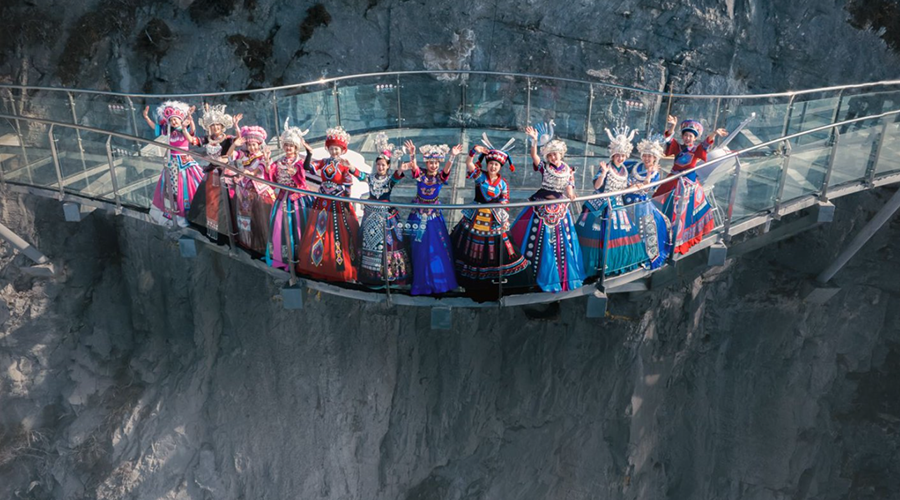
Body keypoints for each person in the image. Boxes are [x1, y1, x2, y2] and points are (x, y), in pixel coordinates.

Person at [452, 136, 531, 301]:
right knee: (471, 247)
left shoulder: (503, 184)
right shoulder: (480, 176)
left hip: (494, 218)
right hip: (476, 215)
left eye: (496, 164)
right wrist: (474, 151)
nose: (493, 166)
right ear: (487, 164)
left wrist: (500, 209)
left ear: (500, 167)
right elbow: (468, 163)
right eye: (491, 164)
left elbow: (505, 200)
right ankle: (471, 281)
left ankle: (494, 280)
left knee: (496, 249)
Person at [509, 126, 585, 292]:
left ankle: (559, 275)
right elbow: (534, 156)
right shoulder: (545, 167)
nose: (552, 157)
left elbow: (569, 185)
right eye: (549, 155)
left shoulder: (568, 170)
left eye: (555, 154)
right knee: (537, 238)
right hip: (542, 205)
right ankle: (533, 273)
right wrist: (534, 141)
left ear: (561, 154)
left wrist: (571, 193)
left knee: (560, 241)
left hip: (560, 208)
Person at [576, 127, 648, 277]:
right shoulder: (607, 167)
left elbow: (625, 187)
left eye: (623, 156)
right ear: (613, 155)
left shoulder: (624, 170)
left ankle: (616, 263)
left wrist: (636, 186)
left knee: (620, 233)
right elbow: (597, 186)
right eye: (618, 155)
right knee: (598, 235)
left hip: (617, 206)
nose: (620, 158)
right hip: (600, 206)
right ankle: (597, 266)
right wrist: (603, 173)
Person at [296, 126, 364, 282]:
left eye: (337, 149)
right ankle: (317, 263)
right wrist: (309, 153)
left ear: (342, 150)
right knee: (318, 231)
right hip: (322, 202)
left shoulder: (344, 165)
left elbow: (348, 185)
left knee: (338, 234)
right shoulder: (323, 162)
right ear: (328, 149)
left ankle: (336, 266)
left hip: (337, 204)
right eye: (332, 148)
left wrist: (345, 203)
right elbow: (308, 167)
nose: (335, 152)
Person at [654, 116, 727, 254]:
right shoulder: (679, 148)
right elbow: (669, 139)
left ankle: (677, 237)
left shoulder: (696, 150)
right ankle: (662, 230)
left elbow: (706, 143)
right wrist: (672, 126)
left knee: (682, 212)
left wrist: (714, 133)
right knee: (661, 202)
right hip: (674, 180)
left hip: (688, 185)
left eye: (691, 136)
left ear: (694, 138)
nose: (688, 138)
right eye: (686, 135)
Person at [406, 142, 461, 296]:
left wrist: (452, 156)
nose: (433, 165)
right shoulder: (420, 175)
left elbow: (447, 170)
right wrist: (412, 154)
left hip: (433, 217)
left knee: (436, 248)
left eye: (436, 163)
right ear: (427, 163)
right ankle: (421, 282)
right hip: (418, 215)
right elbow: (414, 168)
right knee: (419, 249)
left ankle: (439, 282)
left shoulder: (439, 178)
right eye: (431, 163)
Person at [356, 135, 412, 286]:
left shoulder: (389, 179)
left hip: (386, 216)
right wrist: (349, 167)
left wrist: (401, 169)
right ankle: (370, 274)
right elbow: (359, 175)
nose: (380, 167)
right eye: (378, 165)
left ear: (387, 166)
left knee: (390, 243)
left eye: (383, 165)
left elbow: (396, 177)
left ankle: (388, 274)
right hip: (371, 216)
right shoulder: (371, 178)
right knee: (368, 242)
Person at [143, 101, 204, 227]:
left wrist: (190, 119)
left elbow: (192, 131)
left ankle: (189, 212)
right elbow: (155, 128)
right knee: (171, 188)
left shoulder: (184, 129)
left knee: (188, 185)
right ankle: (173, 214)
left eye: (176, 119)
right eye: (171, 120)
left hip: (185, 161)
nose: (174, 122)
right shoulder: (168, 130)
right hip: (172, 162)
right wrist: (146, 117)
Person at [187, 104, 239, 243]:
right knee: (210, 201)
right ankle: (212, 230)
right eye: (213, 126)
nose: (215, 128)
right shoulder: (207, 139)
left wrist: (236, 126)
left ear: (222, 126)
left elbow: (238, 141)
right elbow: (192, 140)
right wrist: (183, 125)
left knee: (226, 202)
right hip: (211, 173)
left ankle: (227, 232)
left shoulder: (228, 139)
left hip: (225, 173)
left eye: (217, 125)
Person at [266, 121, 313, 271]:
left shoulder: (299, 163)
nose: (288, 148)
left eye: (291, 146)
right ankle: (283, 257)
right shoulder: (279, 161)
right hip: (282, 197)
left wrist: (296, 175)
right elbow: (272, 180)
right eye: (286, 145)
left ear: (296, 148)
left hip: (297, 199)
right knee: (280, 226)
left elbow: (302, 183)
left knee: (299, 226)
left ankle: (299, 258)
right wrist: (268, 166)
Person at [625, 135, 671, 269]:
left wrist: (649, 175)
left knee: (642, 231)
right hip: (626, 202)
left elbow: (647, 187)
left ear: (655, 158)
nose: (646, 158)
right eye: (645, 155)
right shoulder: (635, 165)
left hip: (640, 205)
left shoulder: (655, 173)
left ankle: (641, 256)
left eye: (649, 156)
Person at [230, 125, 276, 257]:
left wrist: (248, 172)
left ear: (259, 144)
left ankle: (263, 246)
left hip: (259, 192)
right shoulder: (244, 156)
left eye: (255, 144)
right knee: (248, 218)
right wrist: (234, 144)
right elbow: (229, 155)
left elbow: (260, 171)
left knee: (261, 219)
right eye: (250, 145)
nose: (252, 147)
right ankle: (249, 243)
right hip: (245, 191)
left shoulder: (263, 157)